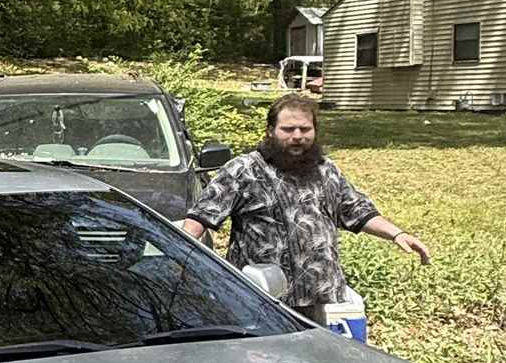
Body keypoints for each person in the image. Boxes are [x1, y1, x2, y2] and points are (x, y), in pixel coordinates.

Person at [180, 93, 429, 321]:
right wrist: (178, 258)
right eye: (288, 129)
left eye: (305, 129)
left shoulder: (326, 170)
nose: (297, 136)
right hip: (260, 301)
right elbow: (201, 217)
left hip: (320, 298)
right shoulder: (243, 170)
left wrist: (397, 234)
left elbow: (357, 211)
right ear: (270, 131)